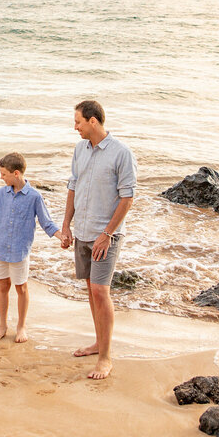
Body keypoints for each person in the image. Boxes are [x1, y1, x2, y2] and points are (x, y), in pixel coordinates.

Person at [58, 99, 136, 380]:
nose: (74, 126)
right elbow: (73, 187)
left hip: (107, 235)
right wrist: (66, 225)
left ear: (93, 121)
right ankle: (98, 343)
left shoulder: (121, 153)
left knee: (101, 292)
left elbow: (127, 197)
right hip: (83, 231)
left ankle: (105, 358)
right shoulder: (80, 149)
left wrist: (107, 234)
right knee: (91, 290)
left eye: (78, 121)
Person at [0, 152, 66, 343]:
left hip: (20, 251)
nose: (1, 177)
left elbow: (47, 223)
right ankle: (3, 326)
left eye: (4, 174)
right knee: (3, 286)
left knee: (21, 288)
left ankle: (21, 326)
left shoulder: (34, 197)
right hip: (0, 249)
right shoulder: (0, 194)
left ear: (17, 173)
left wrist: (61, 237)